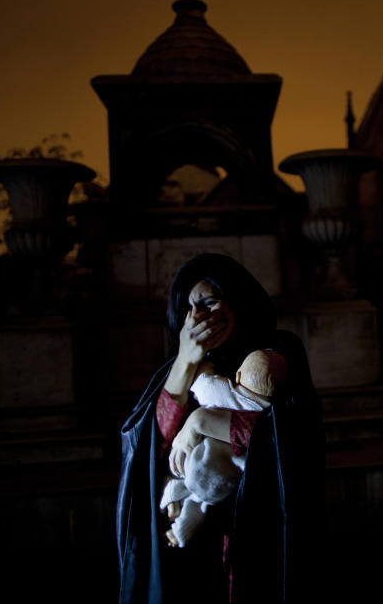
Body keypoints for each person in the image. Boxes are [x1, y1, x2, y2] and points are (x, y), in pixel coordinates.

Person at [116, 253, 323, 604]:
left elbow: (288, 437)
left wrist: (200, 423)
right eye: (189, 308)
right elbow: (152, 448)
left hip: (256, 531)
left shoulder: (278, 352)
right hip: (191, 551)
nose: (198, 317)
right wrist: (185, 361)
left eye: (209, 302)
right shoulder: (179, 367)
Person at [159, 349, 289, 549]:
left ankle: (173, 495)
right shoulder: (266, 413)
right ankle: (180, 530)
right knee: (200, 504)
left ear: (237, 375)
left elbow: (203, 384)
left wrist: (205, 368)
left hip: (200, 466)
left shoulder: (225, 392)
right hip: (225, 483)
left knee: (188, 483)